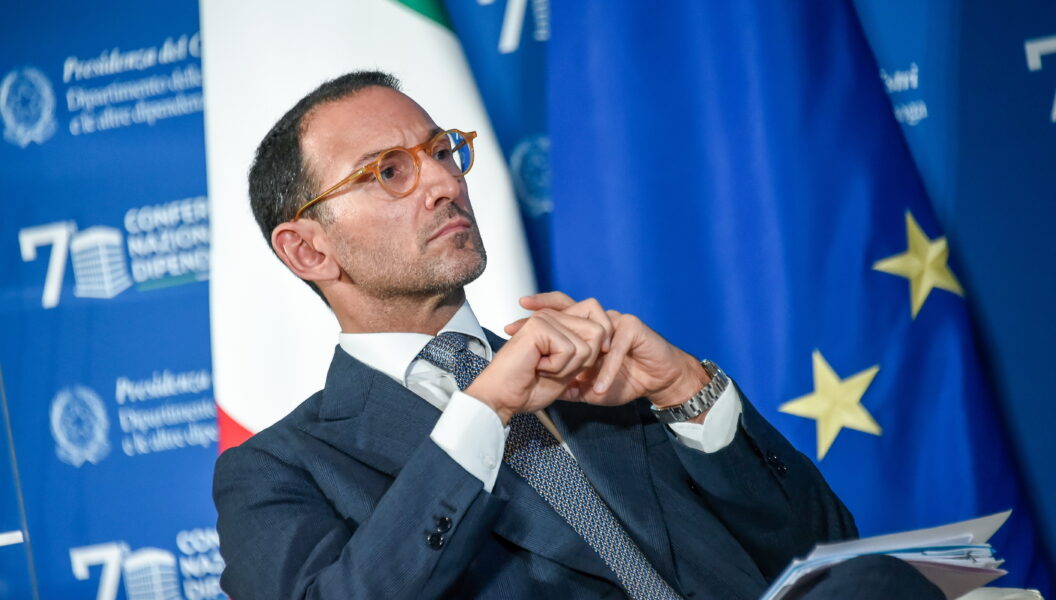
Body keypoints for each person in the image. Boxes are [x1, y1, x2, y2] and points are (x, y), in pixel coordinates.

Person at [213, 71, 943, 599]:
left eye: (441, 151)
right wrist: (484, 412)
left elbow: (823, 548)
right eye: (389, 171)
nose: (443, 183)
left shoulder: (593, 370)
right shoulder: (278, 470)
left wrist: (689, 394)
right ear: (309, 250)